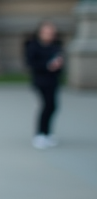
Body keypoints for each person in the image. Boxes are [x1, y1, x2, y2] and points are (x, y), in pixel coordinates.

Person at [24, 21, 64, 149]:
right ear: (40, 33)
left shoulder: (56, 46)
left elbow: (60, 66)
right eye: (46, 32)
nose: (49, 35)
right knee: (46, 106)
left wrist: (58, 66)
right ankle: (40, 134)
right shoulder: (33, 46)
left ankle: (47, 133)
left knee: (53, 106)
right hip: (40, 81)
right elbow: (31, 64)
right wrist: (48, 66)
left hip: (53, 81)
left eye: (51, 32)